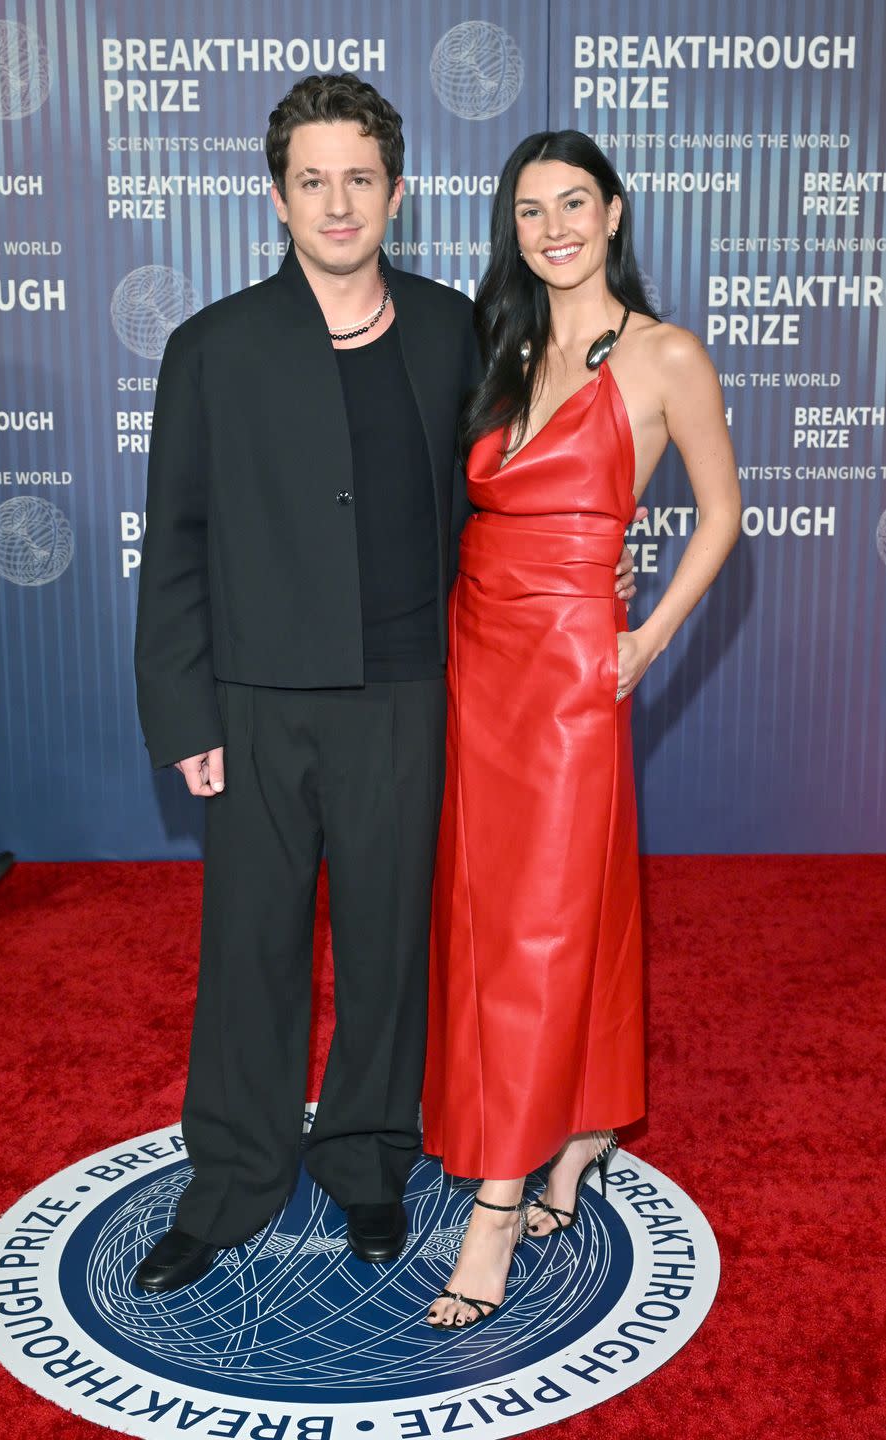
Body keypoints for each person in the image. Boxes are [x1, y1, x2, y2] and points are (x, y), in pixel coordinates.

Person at [133, 76, 643, 1294]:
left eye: (360, 177)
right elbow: (179, 541)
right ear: (278, 198)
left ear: (397, 192)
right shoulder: (210, 346)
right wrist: (184, 712)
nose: (338, 201)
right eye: (312, 179)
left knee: (387, 950)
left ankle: (367, 1159)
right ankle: (233, 1180)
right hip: (255, 703)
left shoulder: (457, 333)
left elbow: (522, 479)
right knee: (248, 950)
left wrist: (597, 547)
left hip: (416, 694)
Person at [421, 129, 741, 1328]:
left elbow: (722, 514)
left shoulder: (663, 356)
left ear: (613, 212)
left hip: (566, 674)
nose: (551, 227)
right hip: (475, 658)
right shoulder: (500, 345)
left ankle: (498, 1205)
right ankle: (585, 1128)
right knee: (492, 912)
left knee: (545, 926)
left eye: (572, 204)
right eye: (528, 210)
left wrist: (644, 642)